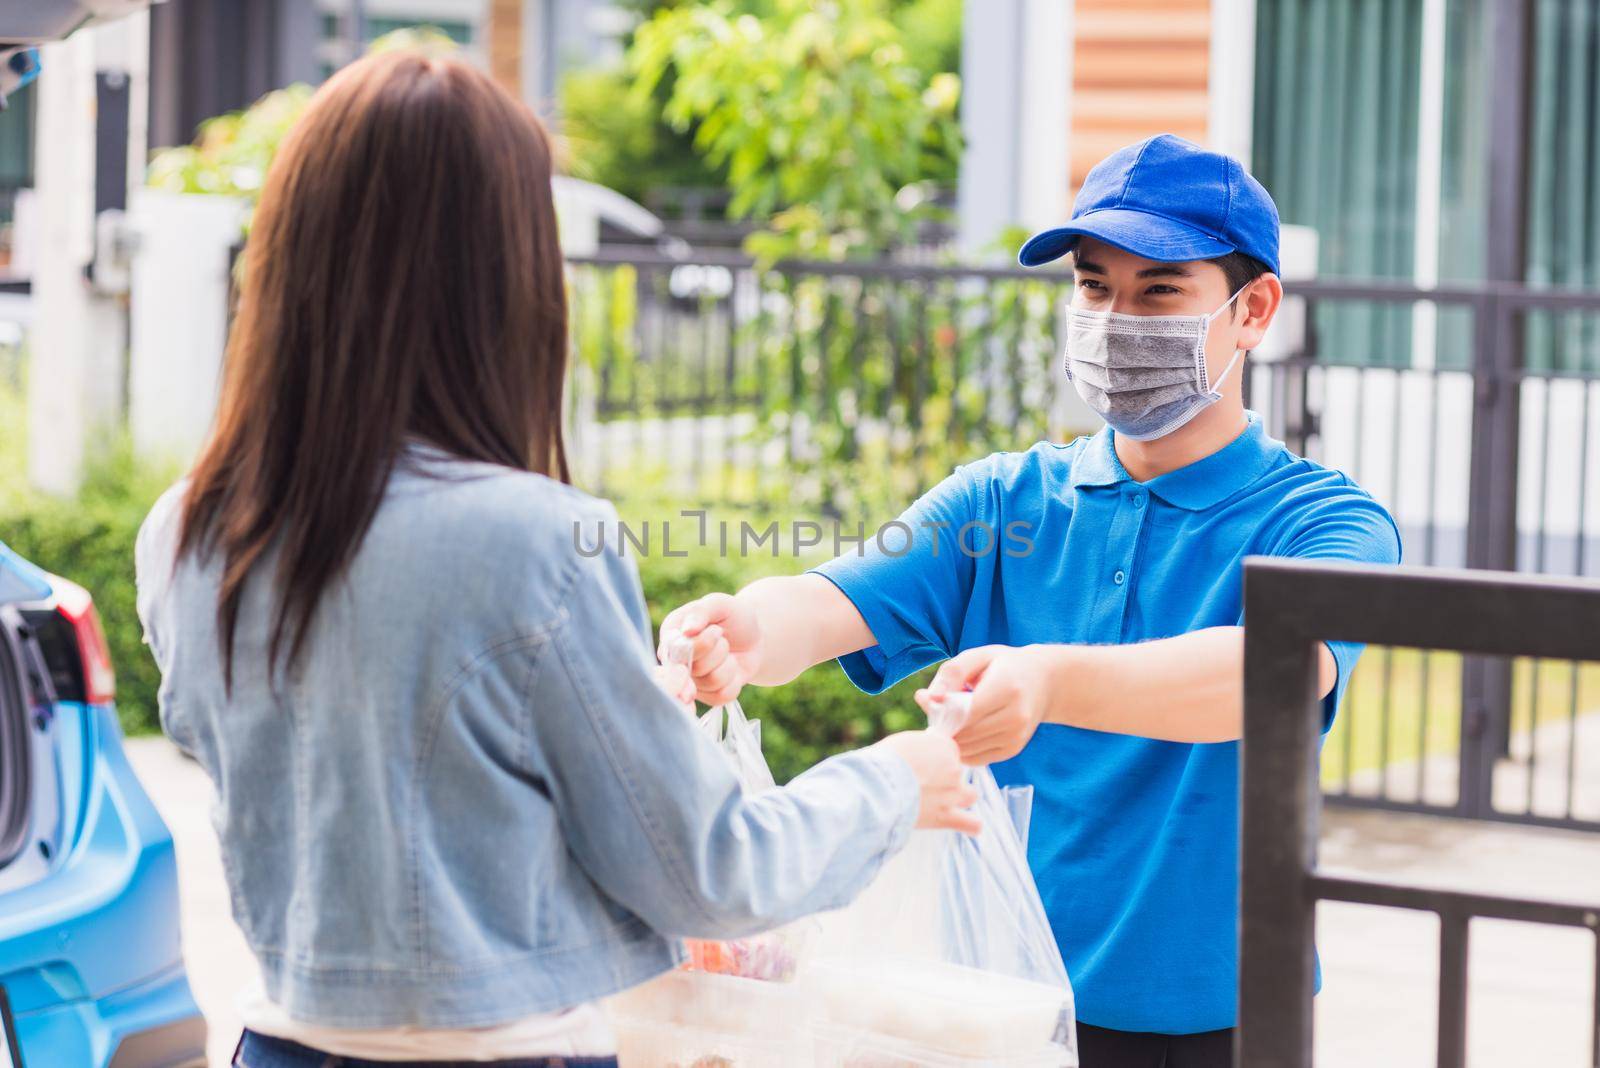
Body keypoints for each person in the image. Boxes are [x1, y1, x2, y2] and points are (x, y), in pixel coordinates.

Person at [133, 50, 975, 1068]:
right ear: (505, 272)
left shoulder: (186, 531)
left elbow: (347, 761)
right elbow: (706, 873)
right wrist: (891, 780)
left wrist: (609, 708)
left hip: (277, 1043)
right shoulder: (535, 542)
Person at [664, 134, 1403, 1068]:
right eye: (1094, 288)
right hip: (996, 1008)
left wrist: (1049, 680)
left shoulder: (1325, 522)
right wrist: (746, 625)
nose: (1115, 320)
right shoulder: (1003, 503)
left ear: (1252, 310)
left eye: (1159, 291)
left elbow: (1271, 676)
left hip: (1222, 1017)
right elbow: (831, 600)